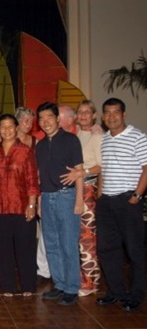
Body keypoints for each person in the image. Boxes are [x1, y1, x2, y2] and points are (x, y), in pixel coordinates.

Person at [95, 97, 147, 312]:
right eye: (107, 112)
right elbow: (104, 169)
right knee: (107, 249)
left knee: (134, 251)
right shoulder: (105, 139)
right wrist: (99, 193)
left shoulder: (138, 137)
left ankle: (135, 295)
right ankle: (115, 292)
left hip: (128, 201)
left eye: (116, 112)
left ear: (124, 114)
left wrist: (136, 195)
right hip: (106, 202)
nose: (111, 116)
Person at [0, 114, 39, 297]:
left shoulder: (25, 151)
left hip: (21, 206)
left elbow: (32, 180)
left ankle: (28, 285)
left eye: (10, 126)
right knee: (1, 248)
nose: (6, 130)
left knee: (25, 248)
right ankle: (7, 285)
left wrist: (32, 205)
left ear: (16, 129)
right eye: (3, 126)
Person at [35, 102, 84, 306]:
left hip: (67, 197)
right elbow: (39, 176)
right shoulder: (39, 145)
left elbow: (79, 170)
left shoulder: (71, 140)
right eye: (41, 118)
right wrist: (39, 201)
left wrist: (79, 199)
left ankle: (72, 287)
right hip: (47, 197)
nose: (45, 122)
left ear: (57, 119)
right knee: (52, 244)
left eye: (49, 117)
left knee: (68, 244)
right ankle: (60, 284)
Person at [60, 100, 102, 297]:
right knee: (75, 235)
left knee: (87, 236)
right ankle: (77, 278)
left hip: (87, 188)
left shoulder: (97, 136)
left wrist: (81, 173)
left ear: (94, 116)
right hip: (74, 187)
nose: (84, 115)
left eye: (88, 112)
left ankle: (90, 282)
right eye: (81, 112)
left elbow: (100, 167)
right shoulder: (78, 135)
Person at [16, 107, 51, 284]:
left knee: (40, 231)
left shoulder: (36, 142)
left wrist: (36, 197)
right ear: (17, 121)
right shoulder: (5, 139)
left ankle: (40, 269)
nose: (28, 124)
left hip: (33, 192)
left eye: (31, 121)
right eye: (24, 120)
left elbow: (37, 170)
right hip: (13, 194)